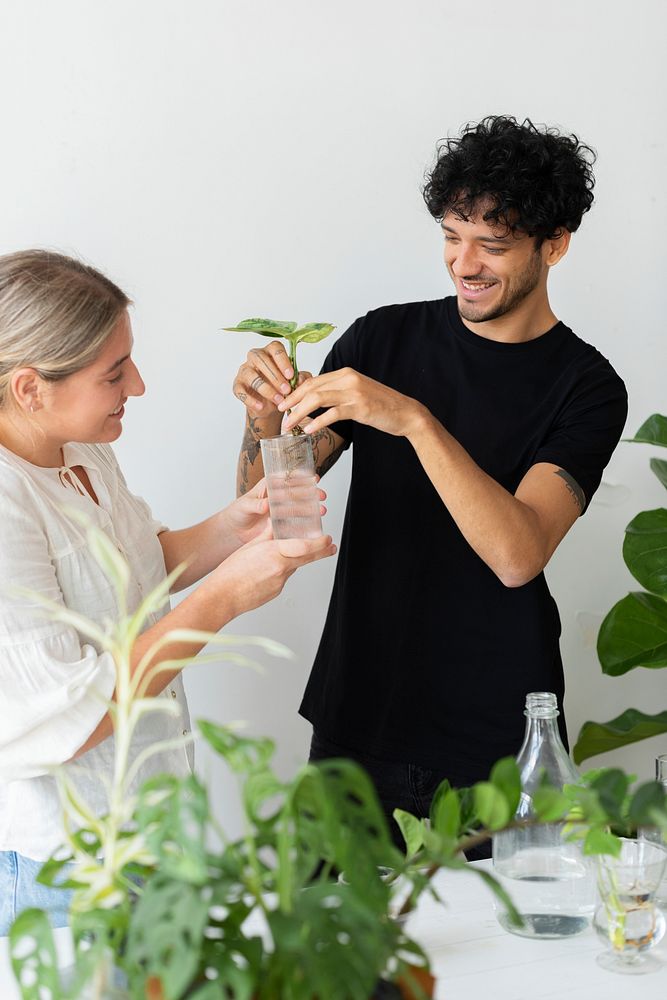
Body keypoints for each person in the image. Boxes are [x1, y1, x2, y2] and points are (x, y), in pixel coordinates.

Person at [231, 116, 628, 856]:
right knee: (333, 957)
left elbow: (518, 553)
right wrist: (262, 423)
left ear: (555, 244)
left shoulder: (588, 387)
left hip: (495, 743)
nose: (463, 263)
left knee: (495, 963)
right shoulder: (380, 339)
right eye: (451, 235)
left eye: (493, 244)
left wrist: (411, 419)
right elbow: (265, 510)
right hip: (357, 720)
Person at [0, 250, 336, 934]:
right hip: (70, 868)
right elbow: (67, 717)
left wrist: (234, 525)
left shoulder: (82, 448)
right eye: (114, 372)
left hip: (152, 834)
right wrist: (224, 599)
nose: (140, 386)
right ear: (31, 388)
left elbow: (134, 572)